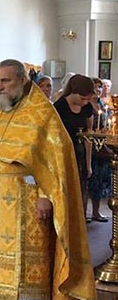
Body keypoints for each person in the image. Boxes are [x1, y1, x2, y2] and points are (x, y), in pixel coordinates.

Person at [0, 59, 96, 300]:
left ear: (23, 80)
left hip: (27, 201)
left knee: (27, 261)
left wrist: (45, 195)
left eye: (5, 81)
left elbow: (55, 161)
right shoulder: (1, 111)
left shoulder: (42, 112)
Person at [54, 74, 94, 221]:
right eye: (83, 98)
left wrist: (88, 163)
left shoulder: (87, 108)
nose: (85, 102)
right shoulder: (59, 107)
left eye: (88, 99)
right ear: (73, 92)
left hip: (81, 154)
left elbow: (89, 135)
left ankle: (81, 222)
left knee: (82, 192)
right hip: (64, 155)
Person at [88, 77, 112, 222]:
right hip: (92, 149)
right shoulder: (86, 106)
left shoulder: (103, 105)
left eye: (99, 87)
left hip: (104, 148)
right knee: (91, 182)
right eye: (95, 87)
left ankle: (96, 212)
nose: (98, 89)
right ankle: (86, 211)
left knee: (101, 182)